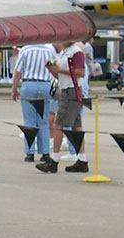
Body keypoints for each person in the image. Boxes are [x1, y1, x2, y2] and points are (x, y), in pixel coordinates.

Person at [37, 41, 88, 174]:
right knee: (76, 126)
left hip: (71, 90)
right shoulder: (63, 53)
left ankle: (54, 161)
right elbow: (60, 76)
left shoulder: (76, 51)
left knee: (58, 125)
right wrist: (52, 69)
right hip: (66, 88)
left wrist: (60, 70)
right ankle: (82, 159)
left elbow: (80, 72)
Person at [10, 43, 56, 165]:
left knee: (29, 121)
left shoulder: (25, 50)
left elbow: (18, 71)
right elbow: (54, 70)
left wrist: (14, 88)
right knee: (43, 120)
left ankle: (30, 153)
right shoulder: (49, 51)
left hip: (29, 84)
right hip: (45, 84)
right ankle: (45, 152)